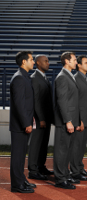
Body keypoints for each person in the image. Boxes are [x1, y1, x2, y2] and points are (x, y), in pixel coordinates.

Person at [53, 52, 85, 189]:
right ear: (66, 61)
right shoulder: (62, 77)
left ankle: (65, 175)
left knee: (67, 150)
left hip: (72, 120)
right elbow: (62, 101)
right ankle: (60, 179)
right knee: (62, 150)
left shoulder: (69, 76)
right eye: (73, 60)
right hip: (65, 121)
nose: (76, 63)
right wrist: (68, 121)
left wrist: (77, 120)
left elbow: (73, 101)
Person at [9, 51, 36, 193]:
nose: (34, 62)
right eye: (31, 59)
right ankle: (17, 185)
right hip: (20, 125)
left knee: (21, 156)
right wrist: (26, 123)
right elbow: (19, 104)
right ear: (24, 62)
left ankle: (21, 180)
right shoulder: (19, 78)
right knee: (18, 156)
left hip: (24, 123)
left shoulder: (24, 77)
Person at [28, 55, 54, 180]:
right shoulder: (34, 78)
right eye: (46, 61)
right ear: (38, 63)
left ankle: (41, 166)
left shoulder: (44, 78)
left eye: (48, 61)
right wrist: (41, 118)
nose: (48, 63)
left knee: (44, 143)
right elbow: (36, 100)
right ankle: (32, 170)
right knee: (36, 143)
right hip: (39, 119)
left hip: (46, 118)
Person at [74, 55, 87, 177]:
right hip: (80, 119)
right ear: (79, 65)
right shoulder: (76, 79)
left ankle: (79, 167)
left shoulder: (84, 78)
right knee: (76, 146)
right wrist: (79, 119)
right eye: (86, 62)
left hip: (86, 118)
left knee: (82, 146)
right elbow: (76, 102)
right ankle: (75, 171)